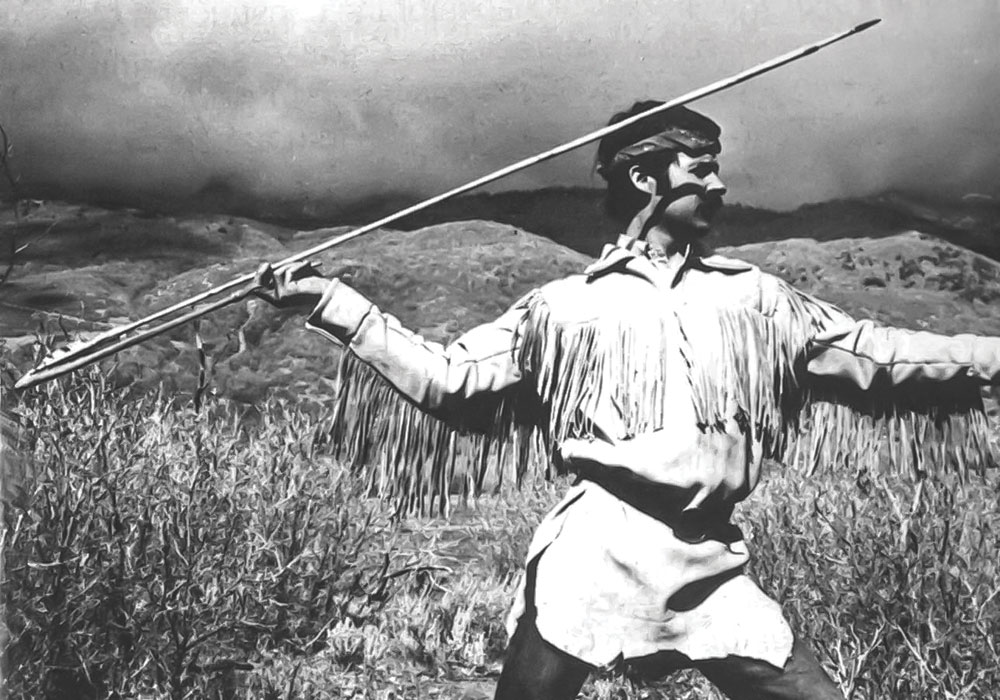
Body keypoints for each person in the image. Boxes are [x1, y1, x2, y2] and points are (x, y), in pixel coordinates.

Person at [254, 102, 1000, 699]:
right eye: (701, 169)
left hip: (708, 557)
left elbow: (879, 353)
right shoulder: (563, 308)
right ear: (647, 180)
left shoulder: (760, 300)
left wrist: (988, 356)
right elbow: (450, 381)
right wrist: (336, 302)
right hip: (595, 553)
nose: (718, 185)